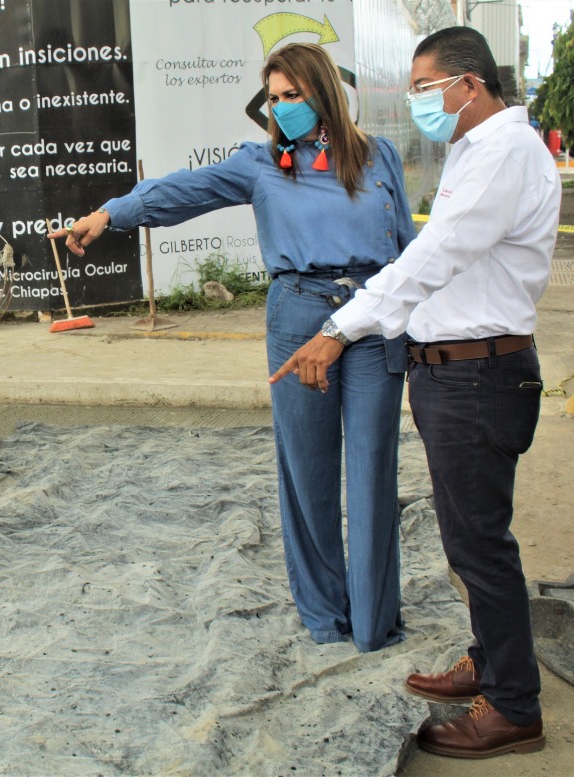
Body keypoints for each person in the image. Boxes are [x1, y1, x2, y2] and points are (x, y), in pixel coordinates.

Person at [50, 43, 416, 653]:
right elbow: (182, 192)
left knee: (374, 469)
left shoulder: (379, 157)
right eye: (273, 98)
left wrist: (419, 326)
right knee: (309, 473)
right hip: (299, 314)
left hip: (372, 317)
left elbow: (408, 248)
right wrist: (110, 214)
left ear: (324, 92)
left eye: (292, 95)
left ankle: (377, 623)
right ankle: (326, 616)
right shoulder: (262, 163)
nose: (281, 108)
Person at [271, 26, 561, 759]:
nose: (418, 101)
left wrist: (340, 326)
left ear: (470, 83)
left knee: (479, 546)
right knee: (471, 540)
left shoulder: (504, 153)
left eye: (425, 87)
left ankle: (514, 707)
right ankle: (490, 664)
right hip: (456, 370)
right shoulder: (476, 150)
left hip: (477, 375)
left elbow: (430, 256)